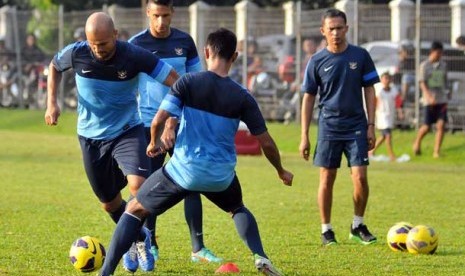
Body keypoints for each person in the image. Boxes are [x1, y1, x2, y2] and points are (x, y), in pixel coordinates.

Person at [98, 27, 293, 276]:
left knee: (134, 209)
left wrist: (153, 142)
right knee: (238, 209)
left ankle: (106, 272)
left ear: (206, 52)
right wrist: (280, 170)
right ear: (234, 57)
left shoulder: (188, 82)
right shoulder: (243, 97)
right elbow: (266, 142)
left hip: (184, 171)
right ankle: (260, 256)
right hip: (221, 176)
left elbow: (159, 119)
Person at [44, 12, 179, 272]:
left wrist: (174, 115)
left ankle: (133, 239)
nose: (98, 50)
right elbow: (54, 65)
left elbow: (174, 79)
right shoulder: (77, 53)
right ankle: (137, 237)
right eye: (93, 44)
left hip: (126, 131)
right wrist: (52, 102)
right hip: (90, 137)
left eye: (104, 44)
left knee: (138, 187)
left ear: (115, 36)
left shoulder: (134, 56)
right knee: (109, 203)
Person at [127, 0, 221, 269]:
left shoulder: (185, 42)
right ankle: (150, 244)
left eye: (165, 15)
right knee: (148, 187)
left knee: (191, 183)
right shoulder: (135, 44)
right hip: (146, 126)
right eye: (156, 15)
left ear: (173, 13)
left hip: (181, 125)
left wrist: (174, 120)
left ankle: (198, 248)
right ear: (147, 13)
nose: (161, 22)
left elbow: (195, 85)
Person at [299, 8, 379, 246]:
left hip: (356, 125)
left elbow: (370, 90)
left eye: (339, 28)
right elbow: (308, 97)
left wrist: (371, 125)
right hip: (328, 126)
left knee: (361, 177)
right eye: (330, 29)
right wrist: (304, 135)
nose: (335, 33)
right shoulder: (316, 61)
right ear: (323, 31)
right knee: (327, 177)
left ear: (347, 29)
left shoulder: (361, 56)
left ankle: (357, 224)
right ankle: (326, 230)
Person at [412, 41, 449, 158]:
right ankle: (417, 142)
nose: (439, 55)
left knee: (441, 125)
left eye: (441, 53)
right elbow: (422, 83)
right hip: (429, 101)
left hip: (441, 99)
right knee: (427, 126)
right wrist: (428, 96)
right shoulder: (424, 66)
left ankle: (436, 151)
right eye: (438, 52)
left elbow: (445, 81)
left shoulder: (443, 65)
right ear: (432, 52)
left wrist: (448, 93)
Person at [369, 72, 400, 161]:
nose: (387, 80)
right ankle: (391, 155)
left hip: (390, 115)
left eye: (388, 78)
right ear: (381, 80)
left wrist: (400, 111)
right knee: (388, 136)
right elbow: (375, 101)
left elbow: (397, 101)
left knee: (383, 136)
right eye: (385, 78)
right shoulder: (379, 90)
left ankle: (371, 151)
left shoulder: (393, 90)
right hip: (382, 115)